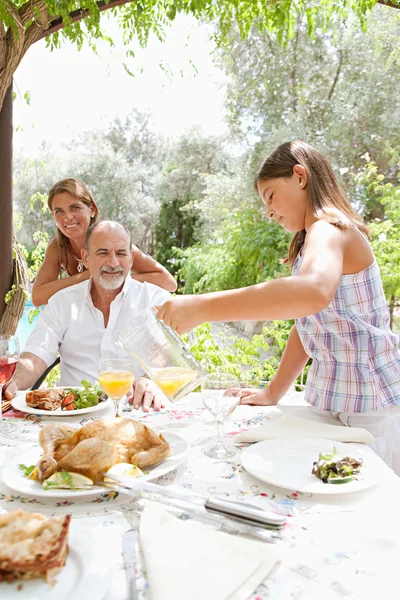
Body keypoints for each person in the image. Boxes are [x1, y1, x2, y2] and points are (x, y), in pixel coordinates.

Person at [156, 140, 400, 473]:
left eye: (270, 196)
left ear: (300, 176)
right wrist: (273, 392)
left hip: (373, 412)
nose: (269, 212)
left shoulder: (331, 229)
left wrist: (201, 307)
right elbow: (308, 324)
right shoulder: (309, 245)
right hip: (330, 405)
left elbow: (312, 292)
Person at [5, 220, 171, 411]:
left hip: (136, 413)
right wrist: (13, 382)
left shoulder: (156, 300)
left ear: (131, 259)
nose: (113, 262)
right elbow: (34, 358)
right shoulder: (62, 302)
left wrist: (153, 380)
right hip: (71, 416)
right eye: (103, 253)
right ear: (85, 258)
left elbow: (171, 359)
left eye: (121, 253)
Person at [31, 177, 177, 307]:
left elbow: (169, 283)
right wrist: (90, 276)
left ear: (92, 209)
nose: (67, 217)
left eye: (74, 207)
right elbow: (37, 297)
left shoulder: (112, 238)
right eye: (59, 211)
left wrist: (117, 280)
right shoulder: (58, 247)